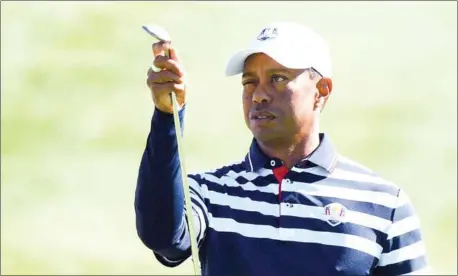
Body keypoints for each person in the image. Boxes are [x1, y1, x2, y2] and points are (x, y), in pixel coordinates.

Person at [135, 22, 430, 276]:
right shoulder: (209, 193)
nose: (259, 95)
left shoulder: (384, 204)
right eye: (250, 82)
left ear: (321, 91)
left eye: (278, 79)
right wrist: (167, 116)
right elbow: (162, 236)